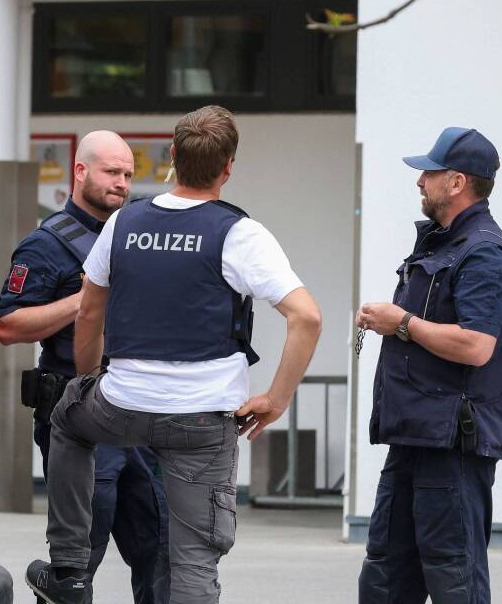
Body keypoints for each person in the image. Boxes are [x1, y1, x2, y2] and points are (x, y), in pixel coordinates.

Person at [25, 106, 322, 604]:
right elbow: (306, 318)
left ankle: (70, 569)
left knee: (67, 419)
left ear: (172, 158)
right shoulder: (240, 234)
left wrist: (90, 381)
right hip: (202, 424)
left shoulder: (123, 223)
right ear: (228, 167)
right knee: (193, 558)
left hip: (120, 407)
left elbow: (90, 315)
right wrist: (276, 398)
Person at [0, 129, 169, 604]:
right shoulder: (46, 245)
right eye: (112, 172)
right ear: (80, 170)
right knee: (78, 559)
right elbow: (9, 326)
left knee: (161, 548)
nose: (121, 183)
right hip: (79, 417)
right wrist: (84, 301)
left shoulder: (135, 235)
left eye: (128, 175)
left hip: (138, 414)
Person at [356, 127, 502, 604]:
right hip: (414, 435)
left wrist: (401, 322)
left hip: (452, 443)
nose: (419, 182)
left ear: (456, 183)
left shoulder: (484, 252)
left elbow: (476, 346)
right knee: (385, 574)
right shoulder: (439, 243)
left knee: (454, 575)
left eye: (428, 173)